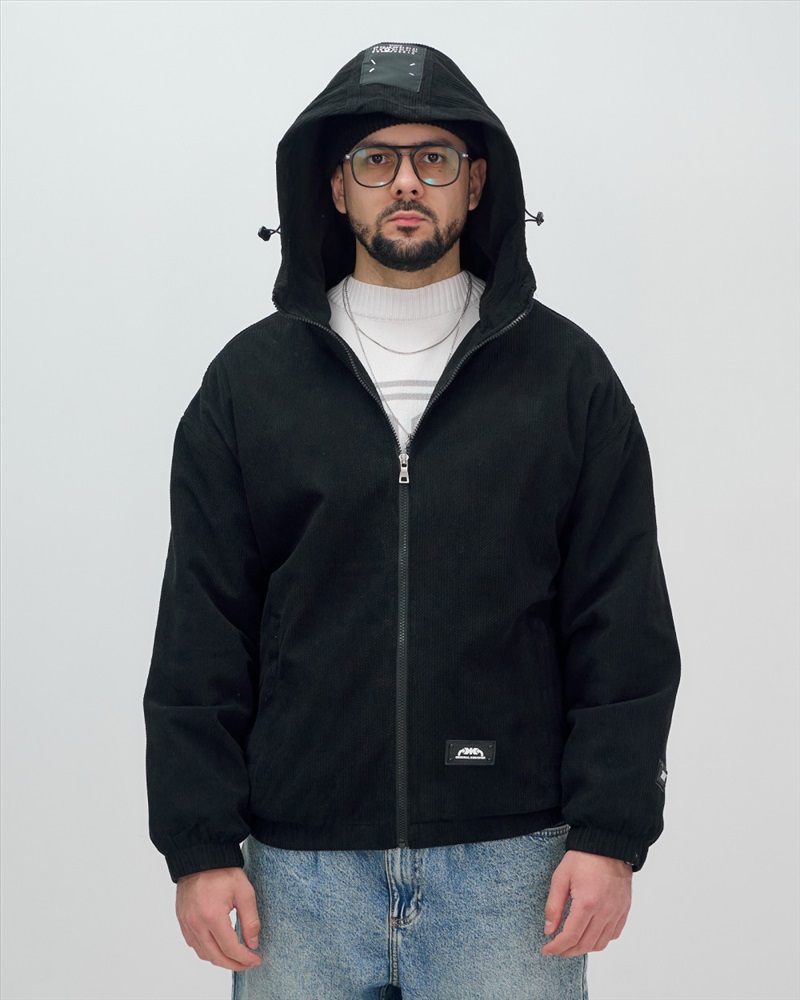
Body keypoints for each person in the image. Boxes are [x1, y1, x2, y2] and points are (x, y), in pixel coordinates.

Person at [144, 41, 680, 1000]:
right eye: (375, 159)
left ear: (476, 183)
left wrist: (610, 832)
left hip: (512, 865)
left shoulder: (566, 378)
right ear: (334, 187)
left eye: (433, 158)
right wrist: (199, 845)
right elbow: (202, 628)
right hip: (298, 873)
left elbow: (620, 618)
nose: (404, 182)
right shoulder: (249, 385)